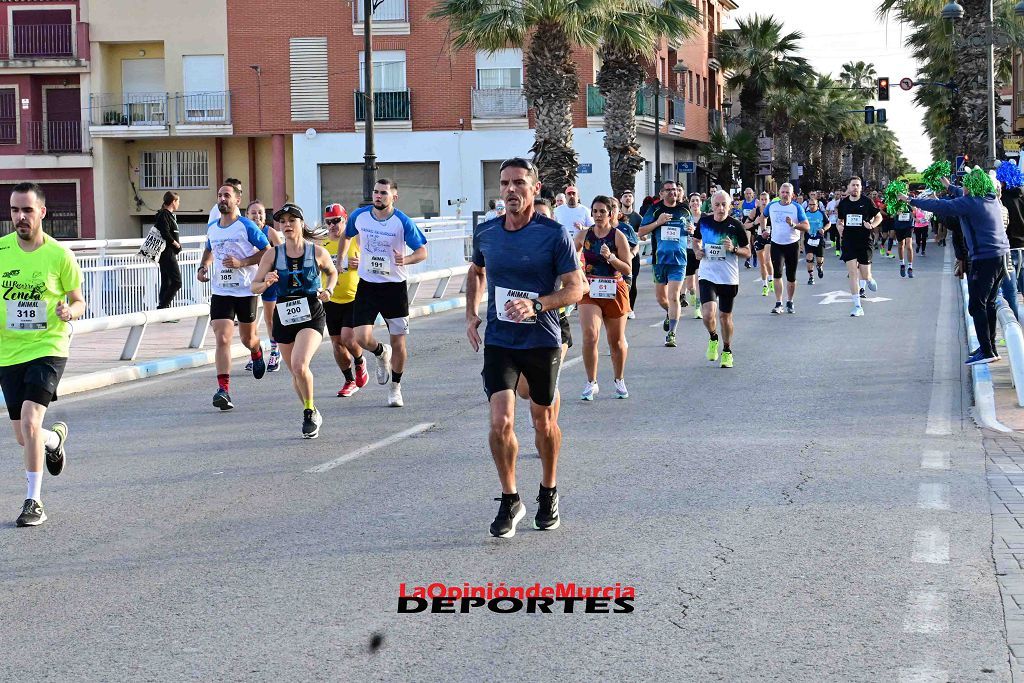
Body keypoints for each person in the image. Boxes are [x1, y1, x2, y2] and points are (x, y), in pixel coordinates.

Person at [466, 157, 585, 538]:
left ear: (534, 188)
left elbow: (576, 287)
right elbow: (476, 271)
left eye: (519, 182)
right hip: (501, 339)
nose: (510, 190)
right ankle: (510, 497)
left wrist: (537, 304)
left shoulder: (553, 234)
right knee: (500, 422)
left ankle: (548, 490)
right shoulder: (486, 234)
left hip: (542, 339)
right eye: (504, 184)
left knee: (543, 421)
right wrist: (471, 315)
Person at [1, 182, 84, 526]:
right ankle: (54, 440)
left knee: (32, 421)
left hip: (48, 347)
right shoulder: (2, 250)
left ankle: (33, 501)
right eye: (15, 210)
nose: (20, 217)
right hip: (8, 351)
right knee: (25, 435)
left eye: (27, 210)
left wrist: (70, 312)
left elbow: (79, 301)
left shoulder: (59, 255)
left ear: (42, 213)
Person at [336, 179, 428, 408]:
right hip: (367, 284)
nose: (378, 196)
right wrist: (342, 260)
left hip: (394, 288)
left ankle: (395, 388)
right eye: (376, 192)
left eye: (384, 193)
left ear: (393, 197)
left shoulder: (401, 221)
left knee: (399, 343)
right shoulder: (360, 216)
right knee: (361, 338)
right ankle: (380, 352)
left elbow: (422, 251)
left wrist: (405, 259)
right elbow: (346, 236)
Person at [251, 203, 337, 438]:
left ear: (301, 223)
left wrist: (328, 290)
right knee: (296, 373)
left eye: (292, 220)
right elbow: (254, 286)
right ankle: (312, 408)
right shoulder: (272, 254)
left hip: (311, 311)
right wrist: (267, 281)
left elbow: (332, 272)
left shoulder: (317, 252)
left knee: (300, 365)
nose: (287, 224)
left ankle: (308, 412)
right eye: (283, 221)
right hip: (284, 313)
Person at [905, 172, 1009, 364]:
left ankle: (987, 351)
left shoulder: (969, 203)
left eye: (966, 185)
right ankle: (990, 348)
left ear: (972, 186)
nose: (964, 188)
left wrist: (911, 200)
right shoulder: (989, 197)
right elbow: (959, 192)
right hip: (1000, 258)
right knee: (990, 304)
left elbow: (941, 206)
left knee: (977, 305)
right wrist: (948, 185)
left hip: (984, 259)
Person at [197, 181, 271, 410]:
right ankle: (223, 390)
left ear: (237, 200)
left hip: (245, 290)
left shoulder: (246, 226)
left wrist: (243, 262)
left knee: (248, 338)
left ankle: (257, 352)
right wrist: (203, 267)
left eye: (227, 195)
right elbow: (209, 249)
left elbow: (267, 251)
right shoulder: (213, 227)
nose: (222, 199)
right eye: (220, 195)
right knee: (223, 338)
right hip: (221, 291)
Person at [575, 195, 633, 401]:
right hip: (590, 290)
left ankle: (619, 379)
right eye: (595, 211)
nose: (598, 215)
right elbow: (570, 260)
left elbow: (628, 268)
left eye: (602, 211)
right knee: (590, 336)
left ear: (610, 214)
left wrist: (611, 257)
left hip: (614, 288)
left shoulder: (618, 236)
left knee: (615, 341)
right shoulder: (584, 235)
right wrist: (577, 276)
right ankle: (591, 382)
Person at [693, 190, 750, 369]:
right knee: (709, 313)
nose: (721, 208)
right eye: (717, 205)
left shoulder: (736, 225)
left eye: (724, 204)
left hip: (728, 277)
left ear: (730, 205)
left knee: (725, 316)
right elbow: (696, 240)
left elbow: (747, 252)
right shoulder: (704, 222)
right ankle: (713, 337)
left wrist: (733, 249)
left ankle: (727, 350)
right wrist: (697, 251)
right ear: (711, 205)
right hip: (708, 274)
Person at [323, 203, 369, 397]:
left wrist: (361, 263)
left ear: (345, 219)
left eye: (337, 221)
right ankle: (349, 380)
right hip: (331, 299)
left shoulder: (356, 240)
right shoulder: (321, 245)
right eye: (329, 222)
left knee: (348, 338)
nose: (333, 225)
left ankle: (360, 362)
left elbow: (375, 260)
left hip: (353, 297)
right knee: (336, 344)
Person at [639, 180, 691, 347]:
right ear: (661, 193)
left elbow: (691, 229)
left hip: (679, 260)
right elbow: (641, 232)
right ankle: (669, 313)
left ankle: (672, 333)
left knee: (674, 296)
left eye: (675, 190)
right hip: (659, 260)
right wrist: (658, 222)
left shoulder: (684, 209)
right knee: (661, 298)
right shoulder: (654, 210)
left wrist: (692, 230)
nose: (672, 193)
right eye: (668, 190)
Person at [245, 200, 284, 373]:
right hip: (248, 281)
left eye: (260, 212)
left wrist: (274, 273)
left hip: (269, 280)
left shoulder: (270, 232)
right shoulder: (243, 231)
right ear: (246, 215)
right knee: (251, 321)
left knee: (269, 318)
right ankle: (255, 353)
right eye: (253, 213)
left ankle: (275, 351)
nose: (257, 216)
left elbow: (283, 255)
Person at [838, 176, 882, 317]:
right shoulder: (844, 203)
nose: (855, 188)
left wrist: (872, 225)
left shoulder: (867, 202)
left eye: (857, 185)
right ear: (848, 187)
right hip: (849, 241)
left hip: (864, 241)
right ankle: (857, 306)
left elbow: (879, 217)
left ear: (861, 188)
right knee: (853, 273)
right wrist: (840, 228)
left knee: (865, 274)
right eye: (853, 185)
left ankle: (869, 279)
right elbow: (840, 221)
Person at [765, 183, 810, 314]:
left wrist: (793, 225)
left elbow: (806, 226)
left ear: (792, 195)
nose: (784, 195)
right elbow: (763, 216)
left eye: (787, 193)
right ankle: (779, 303)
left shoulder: (796, 208)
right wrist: (764, 229)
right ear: (779, 193)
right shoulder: (772, 206)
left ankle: (790, 301)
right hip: (776, 243)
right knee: (777, 273)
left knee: (791, 276)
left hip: (792, 244)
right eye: (783, 192)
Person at [154, 191, 182, 311]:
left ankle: (164, 310)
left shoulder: (168, 215)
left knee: (167, 282)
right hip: (166, 253)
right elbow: (165, 233)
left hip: (167, 253)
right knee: (177, 282)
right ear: (173, 202)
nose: (179, 204)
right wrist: (176, 244)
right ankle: (162, 307)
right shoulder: (164, 215)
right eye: (178, 201)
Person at [620, 190, 643, 314]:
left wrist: (636, 235)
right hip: (619, 255)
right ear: (621, 199)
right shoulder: (617, 217)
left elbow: (643, 232)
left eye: (630, 196)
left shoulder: (637, 217)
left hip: (633, 253)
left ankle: (631, 309)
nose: (628, 198)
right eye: (625, 196)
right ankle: (620, 307)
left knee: (632, 282)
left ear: (633, 200)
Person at [684, 193, 704, 319]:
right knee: (690, 285)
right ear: (689, 203)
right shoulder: (686, 218)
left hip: (700, 252)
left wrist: (695, 232)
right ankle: (691, 293)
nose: (695, 203)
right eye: (693, 201)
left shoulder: (705, 218)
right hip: (687, 251)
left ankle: (697, 309)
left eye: (697, 200)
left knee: (698, 282)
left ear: (701, 203)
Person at [751, 191, 774, 295]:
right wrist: (754, 222)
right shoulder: (755, 211)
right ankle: (765, 286)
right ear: (759, 201)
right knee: (762, 263)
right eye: (762, 200)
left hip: (770, 237)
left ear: (769, 201)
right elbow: (745, 225)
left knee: (767, 259)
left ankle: (771, 280)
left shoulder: (772, 210)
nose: (764, 202)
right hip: (759, 237)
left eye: (766, 200)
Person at [804, 195, 827, 284]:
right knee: (809, 258)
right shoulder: (805, 214)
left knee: (819, 259)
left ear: (817, 205)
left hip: (819, 239)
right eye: (810, 204)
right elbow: (801, 225)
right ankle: (811, 277)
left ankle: (819, 266)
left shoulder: (821, 213)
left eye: (813, 204)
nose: (811, 206)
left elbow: (828, 223)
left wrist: (823, 229)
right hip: (809, 239)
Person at [893, 201, 915, 278]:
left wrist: (908, 203)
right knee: (900, 245)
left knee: (909, 246)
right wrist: (896, 213)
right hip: (899, 226)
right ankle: (902, 264)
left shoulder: (909, 200)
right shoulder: (894, 202)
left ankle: (910, 267)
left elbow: (915, 209)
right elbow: (891, 214)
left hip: (908, 226)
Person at [826, 191, 841, 256]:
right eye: (836, 194)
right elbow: (826, 212)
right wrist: (831, 212)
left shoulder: (842, 202)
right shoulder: (830, 203)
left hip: (839, 222)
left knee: (838, 236)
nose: (836, 195)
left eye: (838, 194)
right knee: (832, 235)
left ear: (840, 195)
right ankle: (833, 241)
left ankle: (837, 250)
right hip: (832, 221)